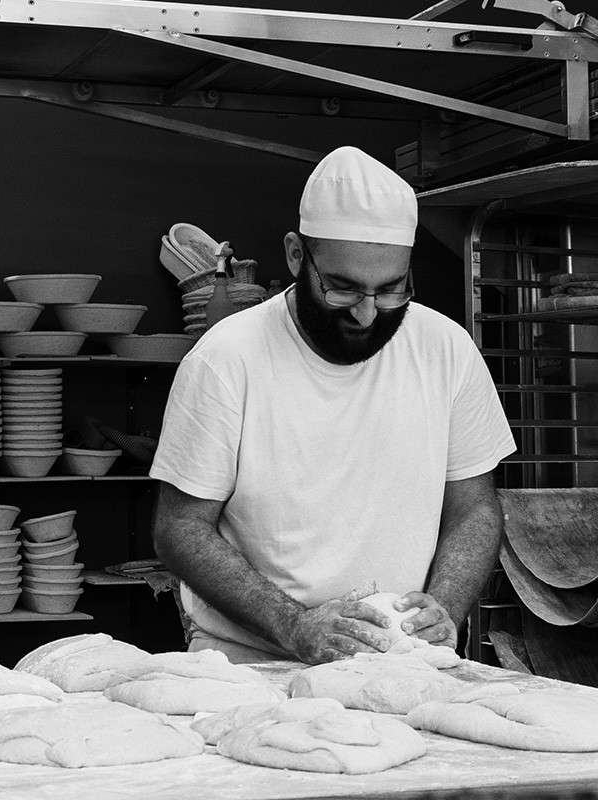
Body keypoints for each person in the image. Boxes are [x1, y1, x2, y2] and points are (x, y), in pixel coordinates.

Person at [149, 146, 516, 665]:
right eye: (343, 289)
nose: (367, 314)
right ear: (296, 255)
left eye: (391, 290)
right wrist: (293, 626)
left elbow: (474, 508)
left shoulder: (446, 349)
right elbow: (180, 528)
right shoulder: (226, 360)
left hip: (400, 658)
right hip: (251, 665)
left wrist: (446, 608)